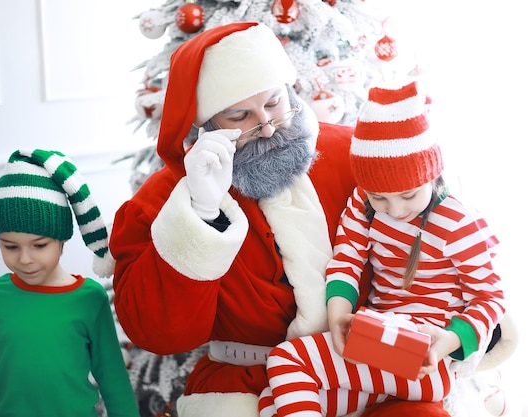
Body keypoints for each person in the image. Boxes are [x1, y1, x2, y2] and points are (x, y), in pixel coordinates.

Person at [109, 21, 453, 417]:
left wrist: (468, 323)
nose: (269, 126)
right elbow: (159, 333)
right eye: (240, 115)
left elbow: (439, 236)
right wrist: (201, 213)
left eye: (274, 102)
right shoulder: (163, 200)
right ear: (205, 126)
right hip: (247, 381)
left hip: (371, 365)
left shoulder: (354, 155)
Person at [257, 80, 507, 416]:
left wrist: (447, 341)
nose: (396, 210)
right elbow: (346, 260)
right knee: (271, 404)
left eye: (408, 196)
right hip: (379, 344)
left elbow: (490, 299)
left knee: (285, 358)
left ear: (432, 176)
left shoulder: (458, 222)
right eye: (380, 198)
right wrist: (337, 319)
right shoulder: (363, 203)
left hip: (426, 360)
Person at [0, 149, 140, 417]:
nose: (25, 259)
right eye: (10, 246)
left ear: (62, 238)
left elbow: (112, 375)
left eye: (39, 245)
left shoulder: (89, 298)